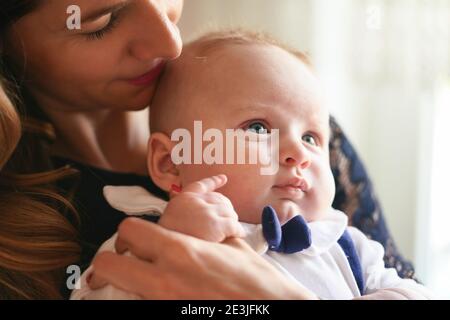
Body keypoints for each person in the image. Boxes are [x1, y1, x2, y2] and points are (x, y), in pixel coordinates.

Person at [0, 0, 415, 299]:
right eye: (102, 21)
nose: (170, 42)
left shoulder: (331, 218)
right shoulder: (144, 238)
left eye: (311, 138)